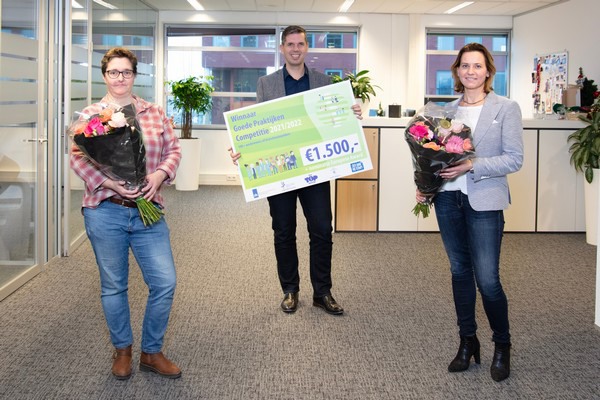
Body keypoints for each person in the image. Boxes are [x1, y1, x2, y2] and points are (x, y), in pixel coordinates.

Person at [229, 25, 362, 315]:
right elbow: (258, 127)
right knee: (283, 231)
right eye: (290, 44)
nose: (295, 49)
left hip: (315, 169)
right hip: (281, 172)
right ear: (282, 48)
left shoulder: (324, 82)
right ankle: (290, 289)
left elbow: (336, 121)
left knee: (322, 230)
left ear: (306, 47)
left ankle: (322, 292)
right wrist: (242, 150)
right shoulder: (266, 84)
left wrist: (351, 114)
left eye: (300, 44)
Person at [70, 47, 182, 380]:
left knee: (165, 282)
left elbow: (174, 150)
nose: (120, 78)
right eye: (114, 72)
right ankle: (122, 350)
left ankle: (151, 351)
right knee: (113, 286)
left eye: (127, 72)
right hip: (106, 211)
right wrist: (111, 183)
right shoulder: (90, 117)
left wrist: (159, 175)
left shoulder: (154, 112)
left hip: (149, 212)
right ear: (104, 76)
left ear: (135, 75)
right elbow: (78, 159)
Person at [416, 43, 523, 382]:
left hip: (485, 201)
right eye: (465, 66)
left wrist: (471, 165)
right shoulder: (444, 111)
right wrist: (426, 186)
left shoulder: (506, 108)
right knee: (459, 271)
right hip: (448, 200)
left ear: (488, 71)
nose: (471, 71)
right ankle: (467, 341)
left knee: (488, 280)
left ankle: (502, 345)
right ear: (457, 71)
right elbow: (431, 157)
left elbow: (514, 159)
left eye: (477, 66)